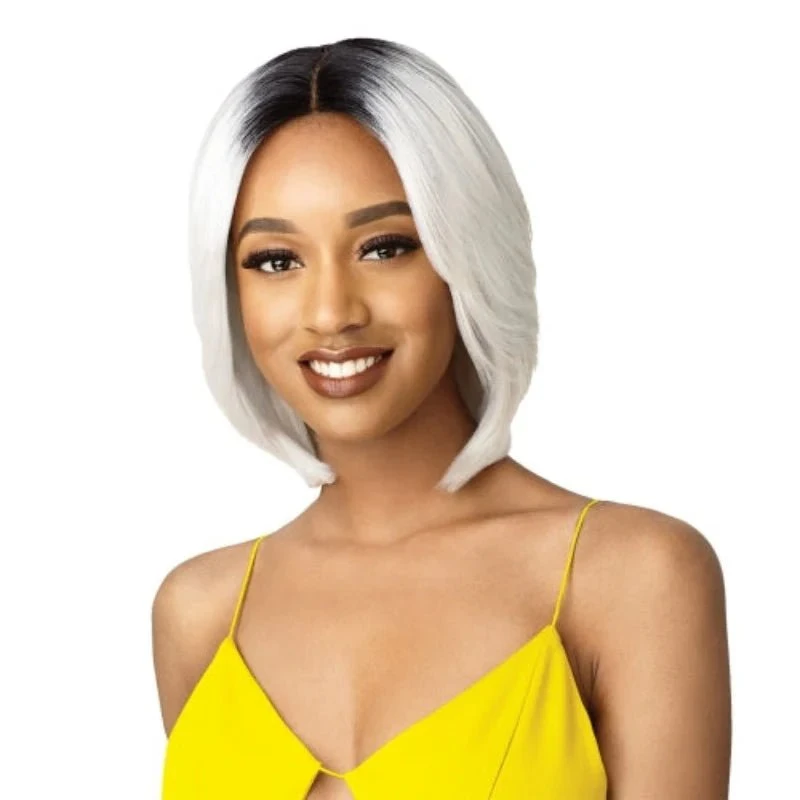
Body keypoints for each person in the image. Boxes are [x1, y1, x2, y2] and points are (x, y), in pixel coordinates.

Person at [152, 37, 731, 799]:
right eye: (276, 261)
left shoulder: (631, 575)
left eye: (385, 247)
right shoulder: (199, 611)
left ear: (467, 255)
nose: (330, 312)